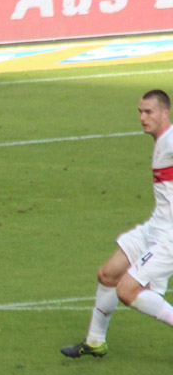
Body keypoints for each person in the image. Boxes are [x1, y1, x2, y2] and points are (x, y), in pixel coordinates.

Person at [61, 89, 173, 358]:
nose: (142, 117)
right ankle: (95, 341)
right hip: (156, 226)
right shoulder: (162, 141)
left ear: (165, 113)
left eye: (149, 112)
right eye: (140, 112)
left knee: (127, 291)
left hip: (169, 236)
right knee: (108, 274)